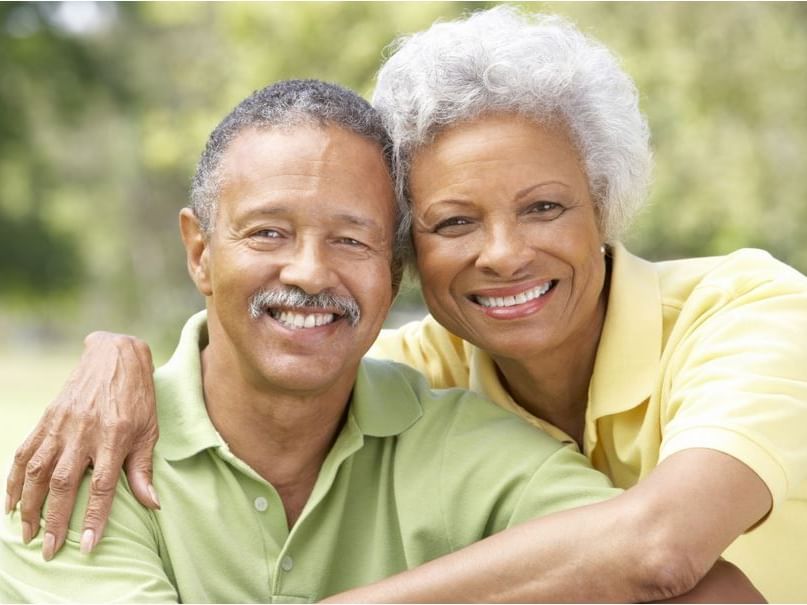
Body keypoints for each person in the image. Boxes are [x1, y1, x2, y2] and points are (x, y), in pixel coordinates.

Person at [7, 6, 807, 602]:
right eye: (454, 221)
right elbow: (275, 361)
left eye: (543, 207)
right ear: (409, 255)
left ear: (604, 206)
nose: (501, 252)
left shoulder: (749, 311)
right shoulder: (408, 377)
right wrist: (116, 354)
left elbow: (662, 550)